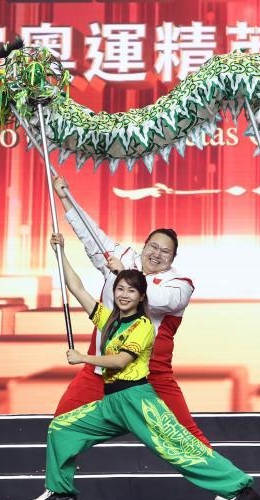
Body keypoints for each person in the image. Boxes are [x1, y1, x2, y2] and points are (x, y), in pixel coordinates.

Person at [30, 233, 260, 500]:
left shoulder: (143, 326)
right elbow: (77, 288)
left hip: (137, 400)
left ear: (141, 297)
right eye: (119, 289)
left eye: (131, 291)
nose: (123, 295)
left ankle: (239, 487)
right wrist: (61, 253)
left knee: (177, 445)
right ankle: (61, 492)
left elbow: (120, 361)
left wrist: (83, 357)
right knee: (62, 429)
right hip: (111, 404)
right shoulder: (109, 320)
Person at [49, 176, 210, 446]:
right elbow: (90, 234)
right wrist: (65, 198)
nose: (157, 254)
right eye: (153, 247)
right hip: (102, 368)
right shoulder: (122, 256)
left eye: (166, 252)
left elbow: (160, 300)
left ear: (173, 259)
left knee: (185, 437)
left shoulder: (180, 284)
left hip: (150, 376)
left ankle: (223, 475)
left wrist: (121, 272)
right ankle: (62, 475)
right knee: (62, 427)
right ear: (144, 246)